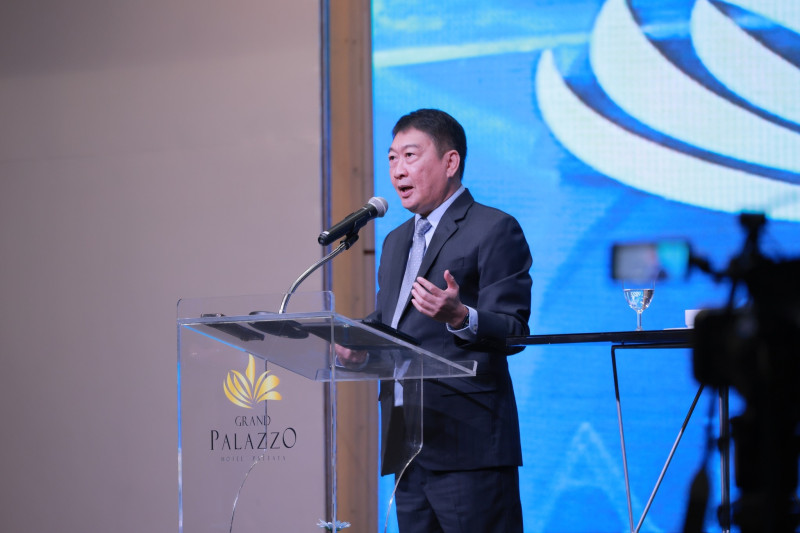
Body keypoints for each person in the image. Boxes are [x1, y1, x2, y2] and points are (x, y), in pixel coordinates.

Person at [339, 108, 532, 532]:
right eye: (392, 158)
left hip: (469, 446)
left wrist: (461, 316)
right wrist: (355, 342)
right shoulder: (395, 241)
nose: (397, 170)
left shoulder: (494, 228)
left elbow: (515, 330)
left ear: (450, 162)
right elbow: (395, 323)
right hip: (406, 443)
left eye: (410, 156)